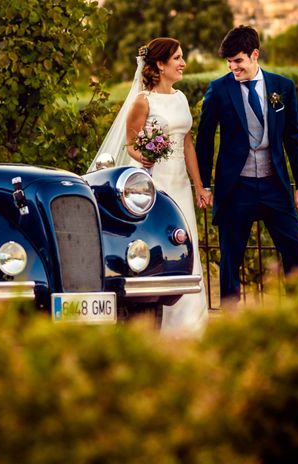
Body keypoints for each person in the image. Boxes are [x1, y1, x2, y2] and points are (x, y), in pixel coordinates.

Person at [89, 37, 209, 336]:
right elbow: (130, 144)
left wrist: (198, 184)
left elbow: (188, 143)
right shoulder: (143, 100)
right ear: (160, 64)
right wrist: (148, 156)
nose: (183, 63)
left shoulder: (181, 98)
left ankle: (191, 322)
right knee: (158, 243)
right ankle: (160, 321)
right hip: (153, 183)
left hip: (179, 180)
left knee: (186, 242)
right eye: (177, 58)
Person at [196, 25, 298, 309]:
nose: (233, 67)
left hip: (275, 185)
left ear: (254, 54)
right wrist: (205, 186)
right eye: (229, 62)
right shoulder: (219, 89)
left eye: (238, 60)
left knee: (295, 247)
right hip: (237, 188)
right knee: (230, 258)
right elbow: (205, 139)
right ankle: (231, 319)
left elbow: (294, 137)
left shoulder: (283, 87)